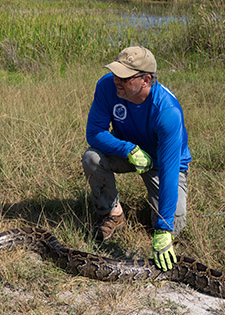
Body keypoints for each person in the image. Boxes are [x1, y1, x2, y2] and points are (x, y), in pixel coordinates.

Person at [82, 46, 191, 272]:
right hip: (128, 153)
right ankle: (113, 213)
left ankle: (156, 216)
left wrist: (163, 230)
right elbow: (94, 132)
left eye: (124, 77)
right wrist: (128, 149)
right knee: (92, 158)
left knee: (175, 226)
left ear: (146, 80)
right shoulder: (106, 87)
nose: (116, 81)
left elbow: (170, 171)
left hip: (162, 165)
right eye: (115, 73)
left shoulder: (167, 111)